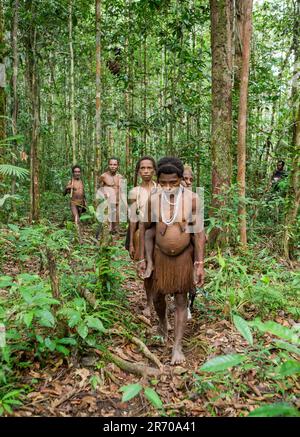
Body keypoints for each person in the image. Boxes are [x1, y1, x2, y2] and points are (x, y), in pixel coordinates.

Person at [138, 157, 205, 365]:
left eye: (173, 183)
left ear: (181, 180)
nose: (168, 188)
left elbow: (199, 233)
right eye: (163, 183)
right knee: (157, 296)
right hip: (160, 256)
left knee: (181, 300)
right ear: (159, 180)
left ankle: (177, 347)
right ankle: (162, 321)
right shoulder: (154, 200)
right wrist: (144, 258)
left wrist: (199, 264)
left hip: (183, 258)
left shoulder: (193, 199)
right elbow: (146, 229)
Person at [125, 156, 157, 317]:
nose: (146, 171)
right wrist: (131, 243)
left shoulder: (160, 188)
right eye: (143, 168)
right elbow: (133, 218)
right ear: (138, 172)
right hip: (142, 235)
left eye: (149, 168)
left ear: (154, 170)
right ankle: (149, 303)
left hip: (160, 234)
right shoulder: (134, 192)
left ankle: (161, 301)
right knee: (147, 270)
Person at [98, 157, 124, 234]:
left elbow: (122, 190)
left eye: (115, 164)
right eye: (111, 164)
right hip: (108, 202)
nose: (113, 166)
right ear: (108, 165)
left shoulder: (120, 177)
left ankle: (116, 238)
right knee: (108, 224)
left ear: (118, 166)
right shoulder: (103, 176)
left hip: (117, 202)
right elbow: (99, 187)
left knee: (116, 223)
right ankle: (106, 239)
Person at [64, 165, 87, 242]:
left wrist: (85, 202)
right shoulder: (71, 181)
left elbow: (83, 193)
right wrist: (68, 187)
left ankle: (76, 235)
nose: (77, 173)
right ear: (73, 173)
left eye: (78, 172)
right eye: (75, 172)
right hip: (73, 203)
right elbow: (64, 193)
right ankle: (80, 239)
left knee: (78, 220)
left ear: (80, 173)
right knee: (76, 219)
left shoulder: (81, 181)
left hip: (81, 204)